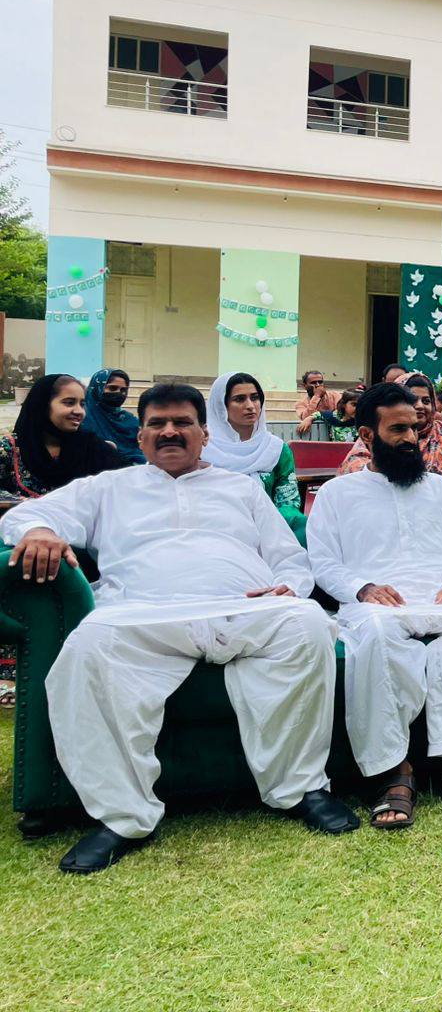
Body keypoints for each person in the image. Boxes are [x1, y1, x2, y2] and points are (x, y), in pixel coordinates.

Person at [2, 383, 357, 873]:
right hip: (144, 615)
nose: (169, 431)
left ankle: (301, 789)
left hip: (242, 610)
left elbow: (289, 557)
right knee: (88, 646)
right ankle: (122, 817)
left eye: (182, 423)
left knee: (308, 623)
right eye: (157, 424)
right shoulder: (109, 487)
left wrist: (289, 587)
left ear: (204, 433)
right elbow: (30, 514)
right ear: (141, 436)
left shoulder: (241, 489)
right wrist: (40, 532)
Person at [308, 384, 442, 827]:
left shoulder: (439, 488)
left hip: (439, 600)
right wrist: (362, 587)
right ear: (367, 435)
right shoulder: (336, 494)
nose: (410, 438)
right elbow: (323, 562)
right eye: (398, 429)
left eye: (414, 429)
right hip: (376, 607)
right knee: (377, 633)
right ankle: (395, 772)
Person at [338, 372, 442, 513]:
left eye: (426, 400)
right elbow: (359, 482)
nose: (420, 406)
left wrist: (432, 489)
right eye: (413, 399)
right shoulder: (373, 441)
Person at [0, 374, 124, 500]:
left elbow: (117, 493)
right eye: (69, 403)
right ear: (43, 405)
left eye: (82, 404)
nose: (79, 411)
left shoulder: (95, 449)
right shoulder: (10, 449)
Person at [202, 373, 300, 518]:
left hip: (269, 526)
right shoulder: (204, 450)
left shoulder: (275, 449)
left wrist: (266, 524)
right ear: (221, 405)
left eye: (255, 398)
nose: (250, 406)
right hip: (214, 526)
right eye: (239, 399)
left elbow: (288, 503)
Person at [82, 368, 143, 466]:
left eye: (123, 390)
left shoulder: (129, 420)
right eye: (112, 388)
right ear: (97, 389)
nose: (119, 393)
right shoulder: (83, 418)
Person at [295, 369, 340, 438]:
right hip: (314, 436)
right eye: (313, 382)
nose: (318, 385)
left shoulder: (335, 395)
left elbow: (340, 414)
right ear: (305, 386)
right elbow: (305, 418)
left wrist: (313, 417)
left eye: (320, 382)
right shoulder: (301, 403)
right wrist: (317, 396)